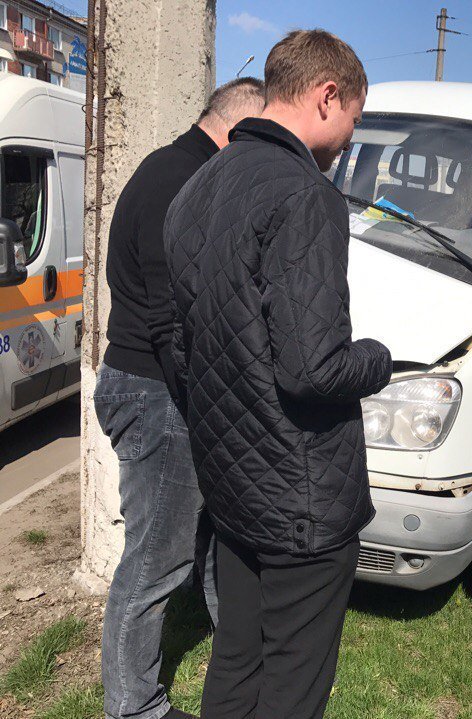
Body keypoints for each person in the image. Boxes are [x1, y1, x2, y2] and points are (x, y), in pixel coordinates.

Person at [165, 30, 392, 719]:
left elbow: (181, 346)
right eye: (355, 117)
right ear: (327, 96)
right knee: (293, 685)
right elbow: (311, 367)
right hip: (303, 504)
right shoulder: (305, 196)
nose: (352, 137)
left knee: (237, 656)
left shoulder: (197, 187)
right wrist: (379, 359)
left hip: (231, 485)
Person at [94, 78, 266, 719]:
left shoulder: (184, 170)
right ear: (237, 131)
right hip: (156, 394)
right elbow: (174, 325)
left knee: (218, 543)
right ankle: (132, 705)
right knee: (156, 563)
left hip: (165, 392)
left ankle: (244, 659)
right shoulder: (177, 180)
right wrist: (209, 406)